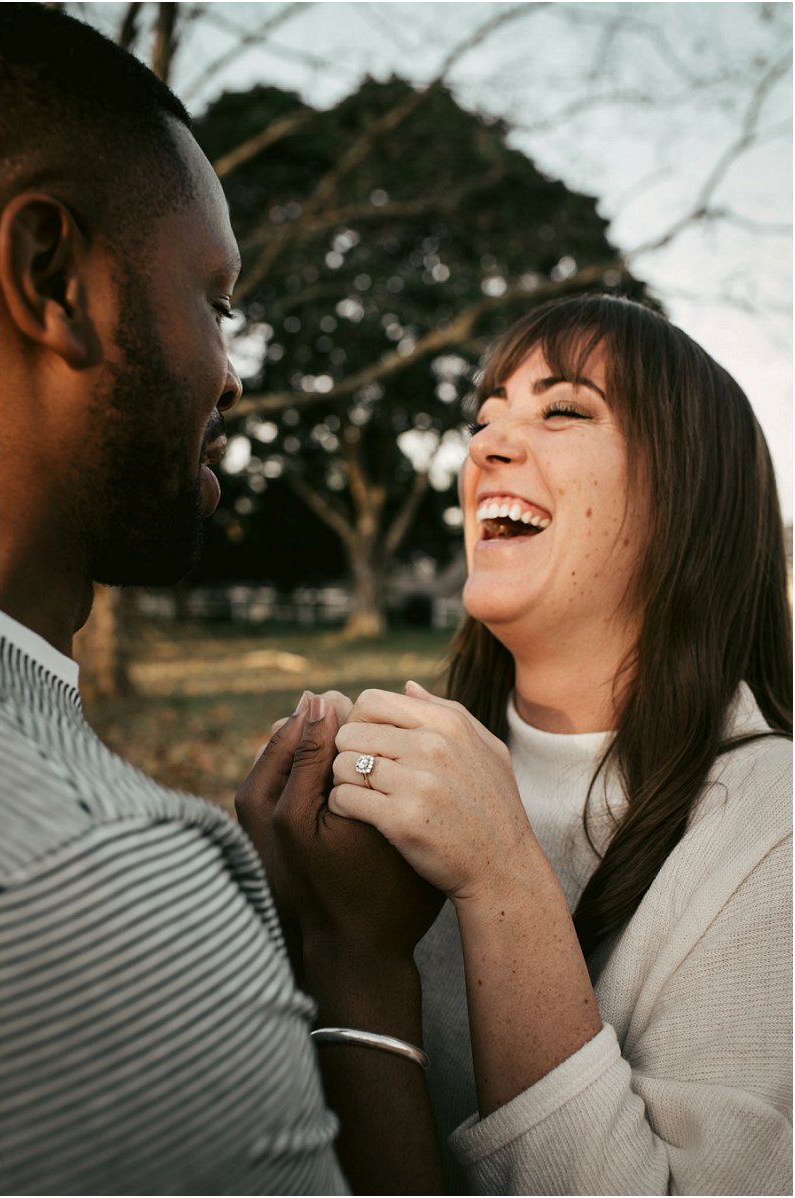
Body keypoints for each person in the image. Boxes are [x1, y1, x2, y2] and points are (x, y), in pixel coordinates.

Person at [0, 7, 445, 1195]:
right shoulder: (97, 883)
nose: (233, 377)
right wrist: (355, 963)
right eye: (218, 301)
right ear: (51, 279)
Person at [318, 295, 792, 1194]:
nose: (485, 447)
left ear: (688, 491)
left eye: (562, 410)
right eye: (484, 418)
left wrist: (501, 873)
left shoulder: (774, 828)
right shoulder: (391, 775)